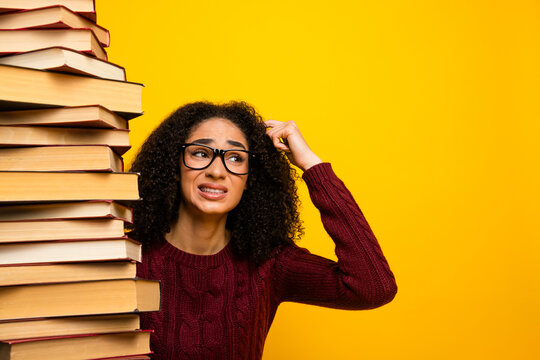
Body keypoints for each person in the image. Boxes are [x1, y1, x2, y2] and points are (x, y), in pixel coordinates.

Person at [129, 101, 397, 359]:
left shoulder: (270, 264)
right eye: (201, 153)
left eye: (235, 158)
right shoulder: (127, 257)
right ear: (174, 166)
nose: (217, 171)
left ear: (249, 179)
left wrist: (312, 166)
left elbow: (373, 288)